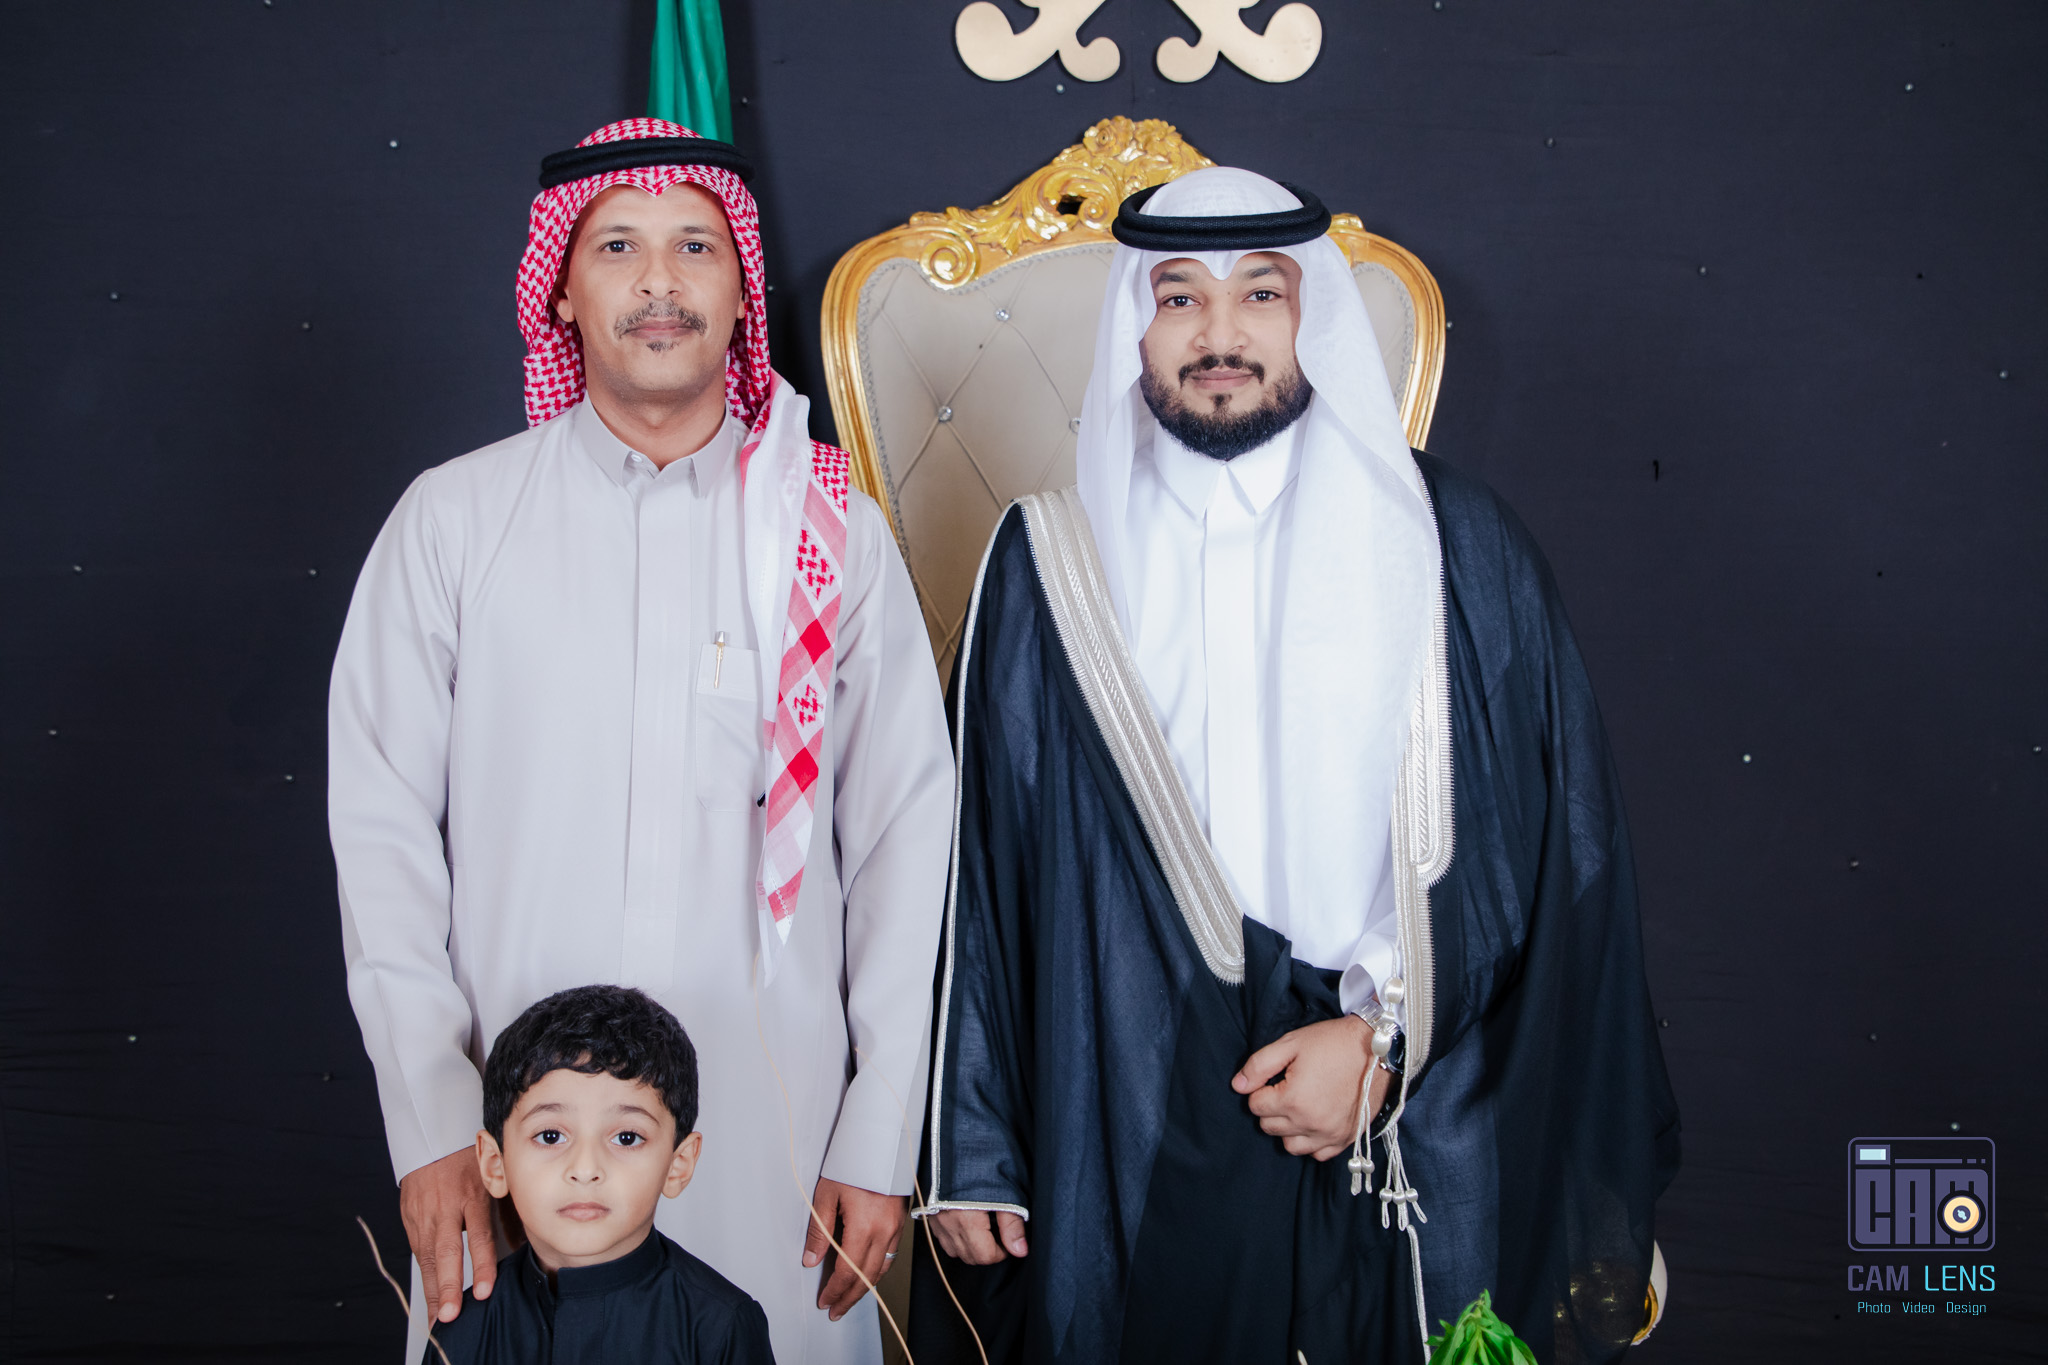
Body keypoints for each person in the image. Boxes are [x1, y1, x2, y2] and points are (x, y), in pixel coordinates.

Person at [909, 168, 1680, 1363]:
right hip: (1132, 1093)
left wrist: (1382, 1037)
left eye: (1259, 294)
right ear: (1134, 326)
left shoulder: (1454, 546)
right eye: (1178, 298)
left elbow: (1540, 846)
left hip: (1402, 1101)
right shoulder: (1047, 560)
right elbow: (980, 867)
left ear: (1309, 313)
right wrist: (973, 1145)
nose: (1218, 335)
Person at [329, 119, 952, 1365]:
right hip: (516, 1137)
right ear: (561, 289)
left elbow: (901, 836)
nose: (659, 281)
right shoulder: (453, 521)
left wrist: (879, 1131)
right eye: (617, 246)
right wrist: (437, 1125)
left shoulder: (831, 532)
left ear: (742, 287)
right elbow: (381, 834)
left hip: (778, 1137)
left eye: (694, 246)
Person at [429, 985, 775, 1364]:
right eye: (551, 1136)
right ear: (495, 1163)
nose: (585, 1170)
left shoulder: (721, 1328)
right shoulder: (463, 1334)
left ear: (679, 1165)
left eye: (626, 1138)